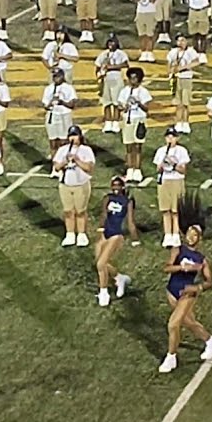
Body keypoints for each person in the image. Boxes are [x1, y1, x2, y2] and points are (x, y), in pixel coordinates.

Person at [159, 225, 212, 373]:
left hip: (187, 294)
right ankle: (210, 341)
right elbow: (166, 268)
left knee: (173, 325)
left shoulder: (201, 259)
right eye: (189, 234)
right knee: (189, 322)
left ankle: (171, 357)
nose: (191, 237)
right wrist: (183, 268)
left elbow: (209, 281)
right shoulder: (178, 250)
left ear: (199, 239)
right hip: (172, 291)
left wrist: (197, 288)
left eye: (195, 235)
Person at [95, 176, 137, 306]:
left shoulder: (127, 201)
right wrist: (100, 230)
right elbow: (103, 215)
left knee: (101, 264)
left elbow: (130, 220)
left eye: (118, 185)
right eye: (114, 185)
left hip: (117, 234)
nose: (116, 188)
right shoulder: (107, 198)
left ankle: (104, 292)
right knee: (100, 263)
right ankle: (119, 278)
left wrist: (135, 238)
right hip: (106, 232)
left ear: (123, 186)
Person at [55, 125, 96, 248]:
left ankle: (82, 234)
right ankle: (70, 234)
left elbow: (89, 168)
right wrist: (64, 161)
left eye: (75, 135)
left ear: (80, 136)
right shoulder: (63, 150)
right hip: (65, 185)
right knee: (68, 211)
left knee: (80, 211)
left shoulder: (86, 150)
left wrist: (77, 160)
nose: (73, 138)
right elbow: (56, 167)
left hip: (81, 185)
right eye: (71, 136)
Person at [153, 127, 190, 248]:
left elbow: (183, 170)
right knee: (165, 209)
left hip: (177, 180)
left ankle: (176, 234)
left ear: (177, 138)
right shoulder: (161, 151)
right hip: (164, 180)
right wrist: (162, 164)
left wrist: (173, 164)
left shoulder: (182, 151)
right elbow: (157, 169)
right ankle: (167, 235)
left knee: (176, 209)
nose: (170, 139)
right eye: (168, 137)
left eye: (173, 137)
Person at [117, 67, 152, 182]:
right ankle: (130, 169)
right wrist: (124, 107)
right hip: (128, 119)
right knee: (128, 146)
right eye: (130, 78)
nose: (132, 81)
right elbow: (119, 105)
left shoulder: (143, 92)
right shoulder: (124, 91)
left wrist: (139, 102)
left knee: (137, 146)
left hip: (139, 120)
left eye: (134, 78)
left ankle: (137, 170)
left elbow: (146, 108)